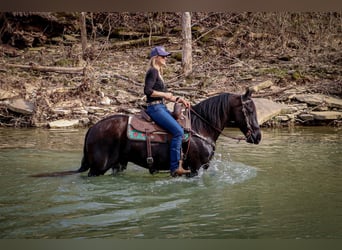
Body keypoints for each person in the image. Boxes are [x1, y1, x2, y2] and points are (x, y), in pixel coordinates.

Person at [144, 46, 191, 177]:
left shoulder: (159, 73)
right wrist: (165, 95)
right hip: (155, 108)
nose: (166, 58)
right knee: (178, 132)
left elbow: (166, 95)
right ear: (156, 58)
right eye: (163, 56)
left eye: (166, 56)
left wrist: (180, 99)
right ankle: (175, 167)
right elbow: (147, 91)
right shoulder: (153, 71)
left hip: (161, 106)